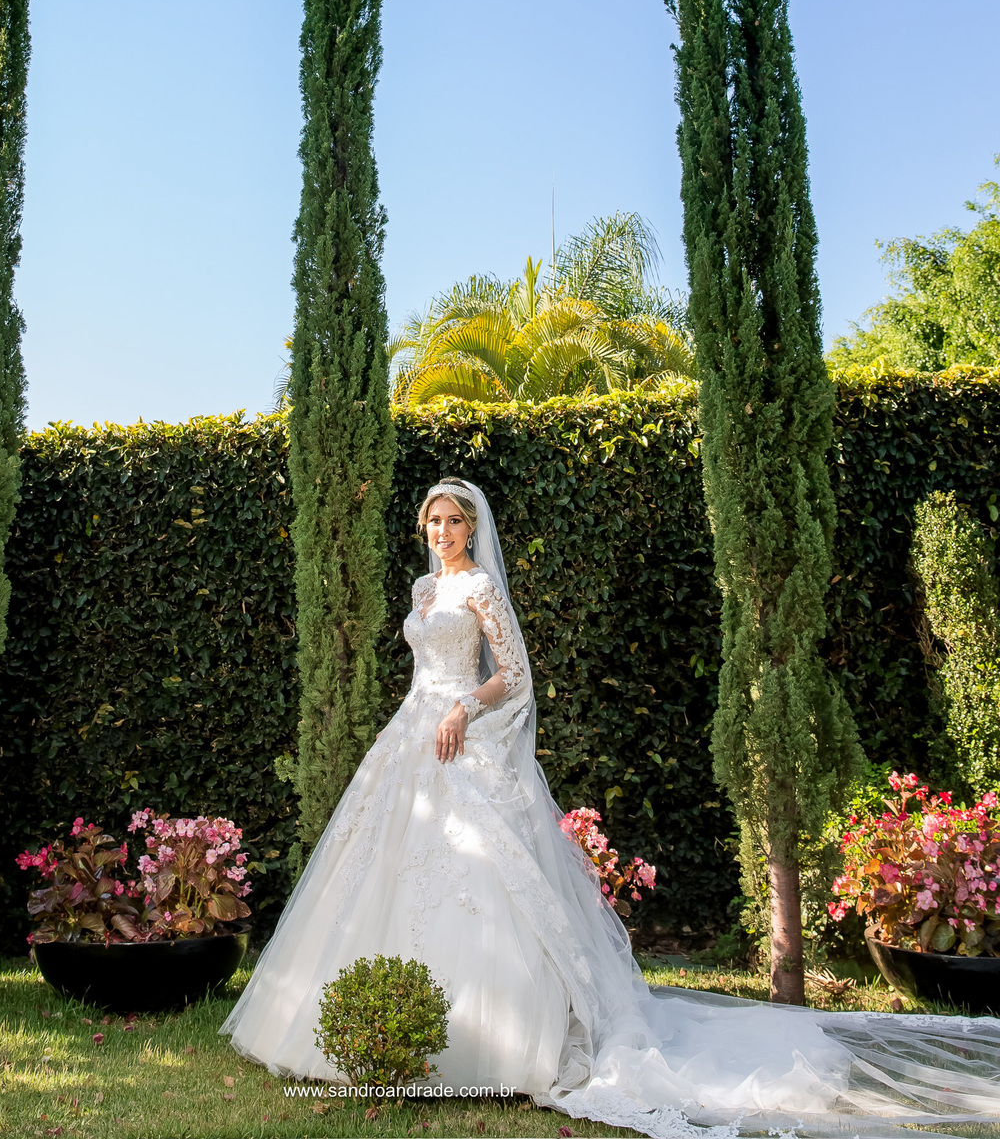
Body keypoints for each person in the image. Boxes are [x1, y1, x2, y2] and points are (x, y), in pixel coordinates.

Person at [223, 478, 1000, 1137]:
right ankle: (368, 1028)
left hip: (458, 732)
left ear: (472, 529)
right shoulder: (425, 591)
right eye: (434, 521)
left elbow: (514, 677)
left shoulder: (482, 589)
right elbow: (424, 662)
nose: (444, 531)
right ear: (423, 528)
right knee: (381, 870)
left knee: (482, 886)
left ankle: (496, 1043)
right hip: (410, 739)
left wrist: (463, 706)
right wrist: (427, 712)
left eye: (455, 521)